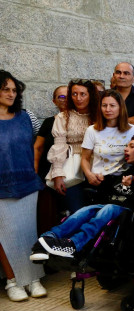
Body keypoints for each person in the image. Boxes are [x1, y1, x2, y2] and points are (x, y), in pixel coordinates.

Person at [31, 135, 134, 260]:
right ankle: (48, 238)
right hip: (107, 205)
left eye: (132, 146)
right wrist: (101, 181)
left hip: (126, 210)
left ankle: (74, 243)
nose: (126, 149)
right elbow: (108, 191)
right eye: (126, 146)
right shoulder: (122, 171)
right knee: (85, 211)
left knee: (109, 208)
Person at [0, 70, 46, 301]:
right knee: (5, 235)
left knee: (28, 233)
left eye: (14, 90)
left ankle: (33, 279)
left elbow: (39, 144)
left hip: (27, 183)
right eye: (5, 89)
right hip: (1, 187)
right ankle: (12, 281)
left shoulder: (28, 117)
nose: (10, 93)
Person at [47, 79, 100, 214]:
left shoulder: (100, 115)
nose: (78, 98)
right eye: (74, 94)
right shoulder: (62, 117)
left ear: (91, 95)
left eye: (83, 94)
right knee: (77, 212)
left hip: (96, 167)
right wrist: (57, 174)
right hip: (71, 167)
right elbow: (59, 145)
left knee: (99, 214)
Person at [80, 90, 134, 198]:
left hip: (123, 181)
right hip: (99, 180)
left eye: (112, 105)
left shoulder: (131, 130)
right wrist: (89, 175)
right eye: (104, 105)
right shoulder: (92, 130)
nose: (108, 109)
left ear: (120, 107)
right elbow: (85, 158)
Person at [34, 85, 68, 233]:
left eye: (68, 95)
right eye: (61, 96)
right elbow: (38, 147)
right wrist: (34, 171)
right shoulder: (49, 122)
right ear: (54, 101)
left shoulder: (82, 121)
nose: (65, 99)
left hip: (70, 173)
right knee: (48, 213)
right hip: (46, 173)